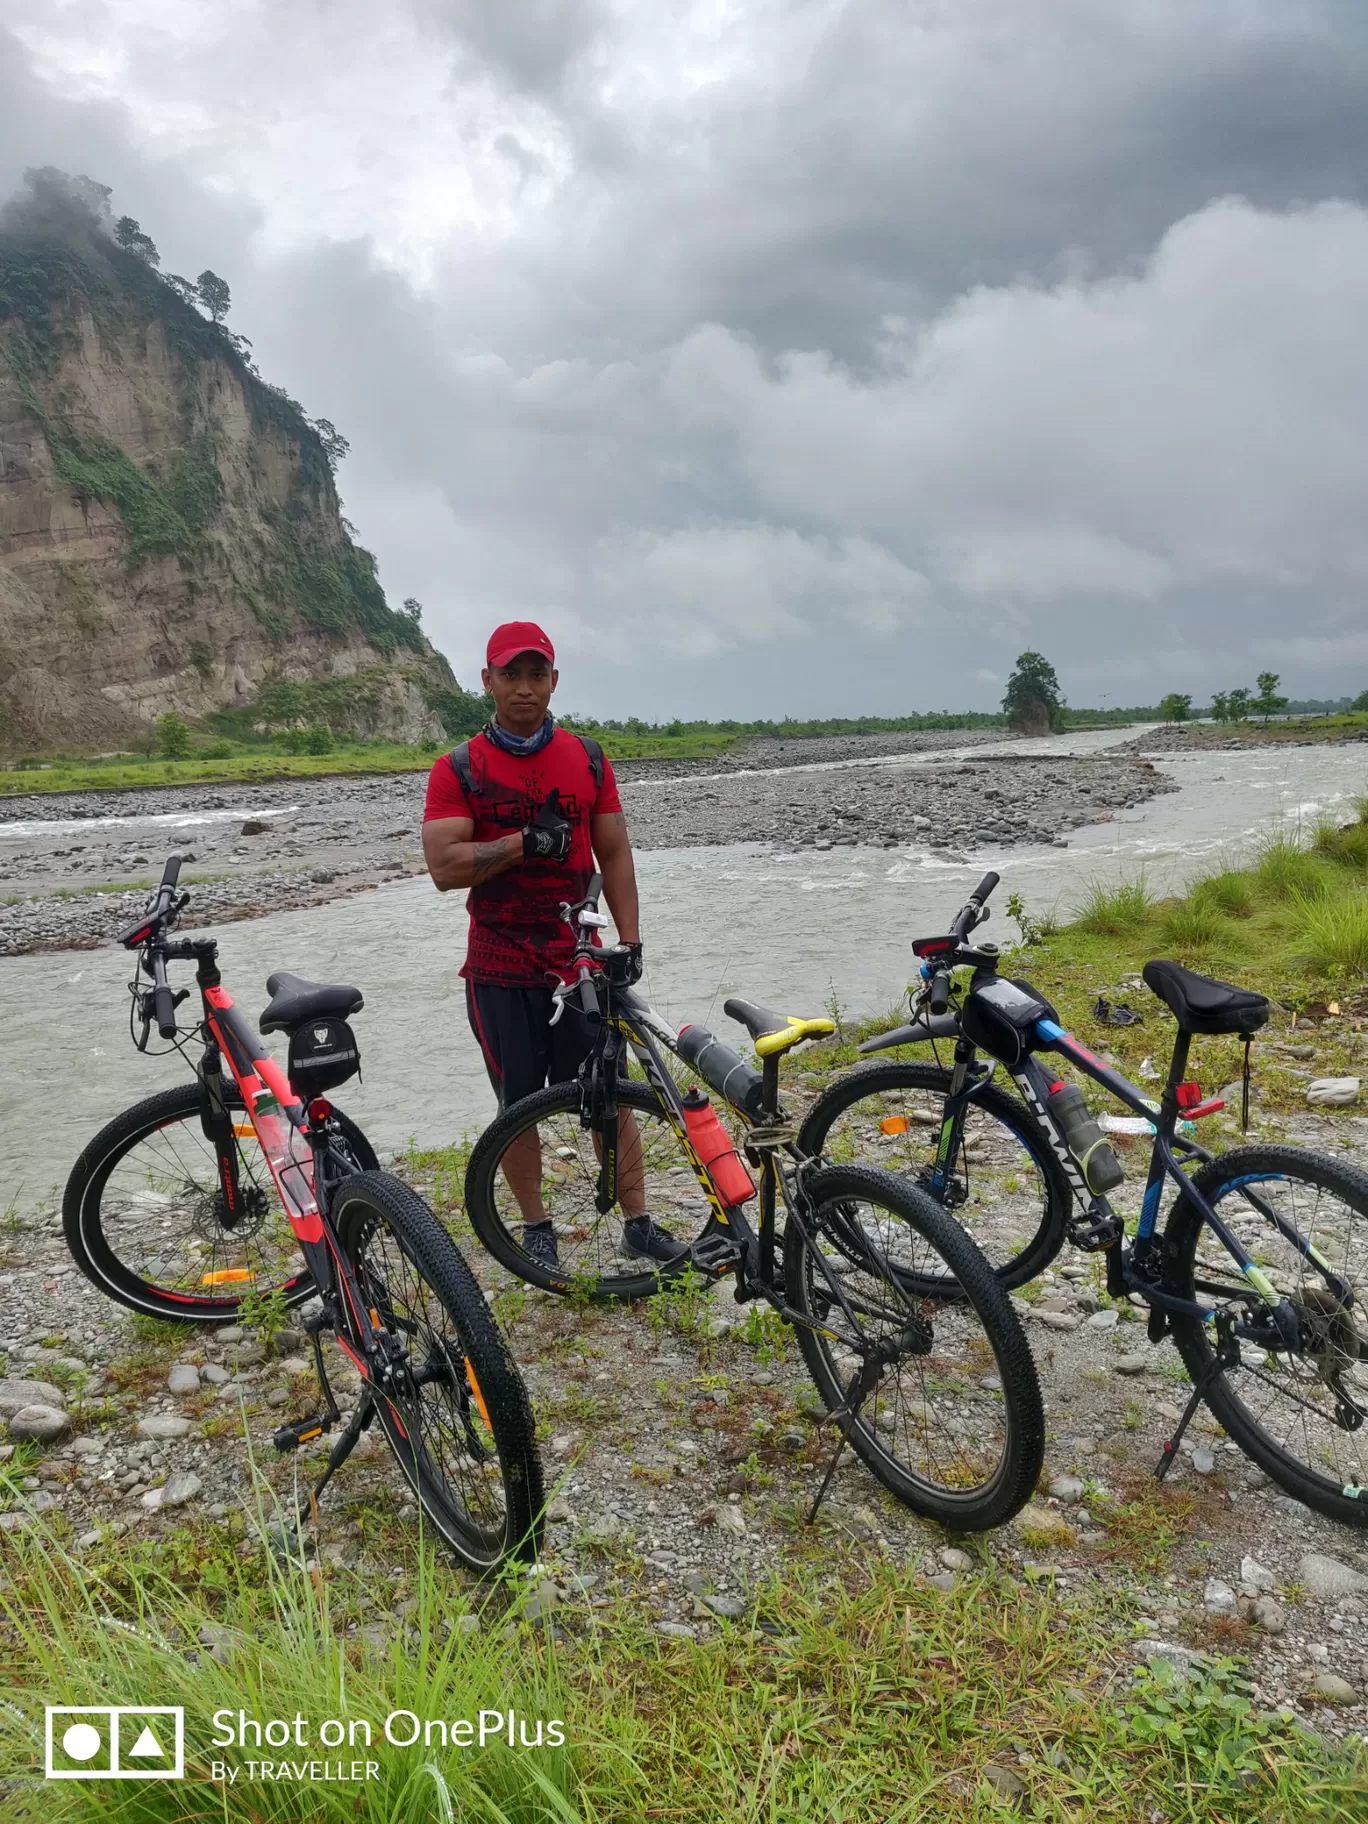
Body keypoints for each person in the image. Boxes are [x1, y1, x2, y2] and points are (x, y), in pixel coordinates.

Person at [421, 620, 686, 1269]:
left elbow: (615, 851)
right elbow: (443, 867)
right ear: (487, 681)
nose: (524, 687)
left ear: (554, 681)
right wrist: (520, 844)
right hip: (499, 966)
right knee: (518, 1104)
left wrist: (630, 941)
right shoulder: (459, 768)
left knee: (610, 1092)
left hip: (580, 963)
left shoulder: (587, 757)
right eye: (510, 673)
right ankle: (536, 1227)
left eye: (536, 673)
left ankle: (639, 1222)